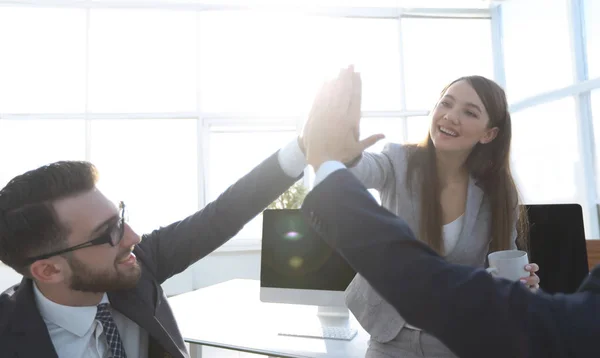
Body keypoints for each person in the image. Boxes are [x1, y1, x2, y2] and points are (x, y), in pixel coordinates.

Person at [299, 66, 600, 358]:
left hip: (456, 341)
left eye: (469, 112)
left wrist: (524, 287)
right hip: (388, 337)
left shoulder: (497, 191)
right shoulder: (398, 160)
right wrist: (341, 156)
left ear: (489, 134)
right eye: (446, 103)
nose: (451, 116)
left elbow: (501, 265)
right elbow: (358, 172)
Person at [0, 139, 310, 358]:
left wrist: (306, 145)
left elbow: (222, 215)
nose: (132, 237)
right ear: (49, 269)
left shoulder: (138, 264)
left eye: (119, 219)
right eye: (107, 233)